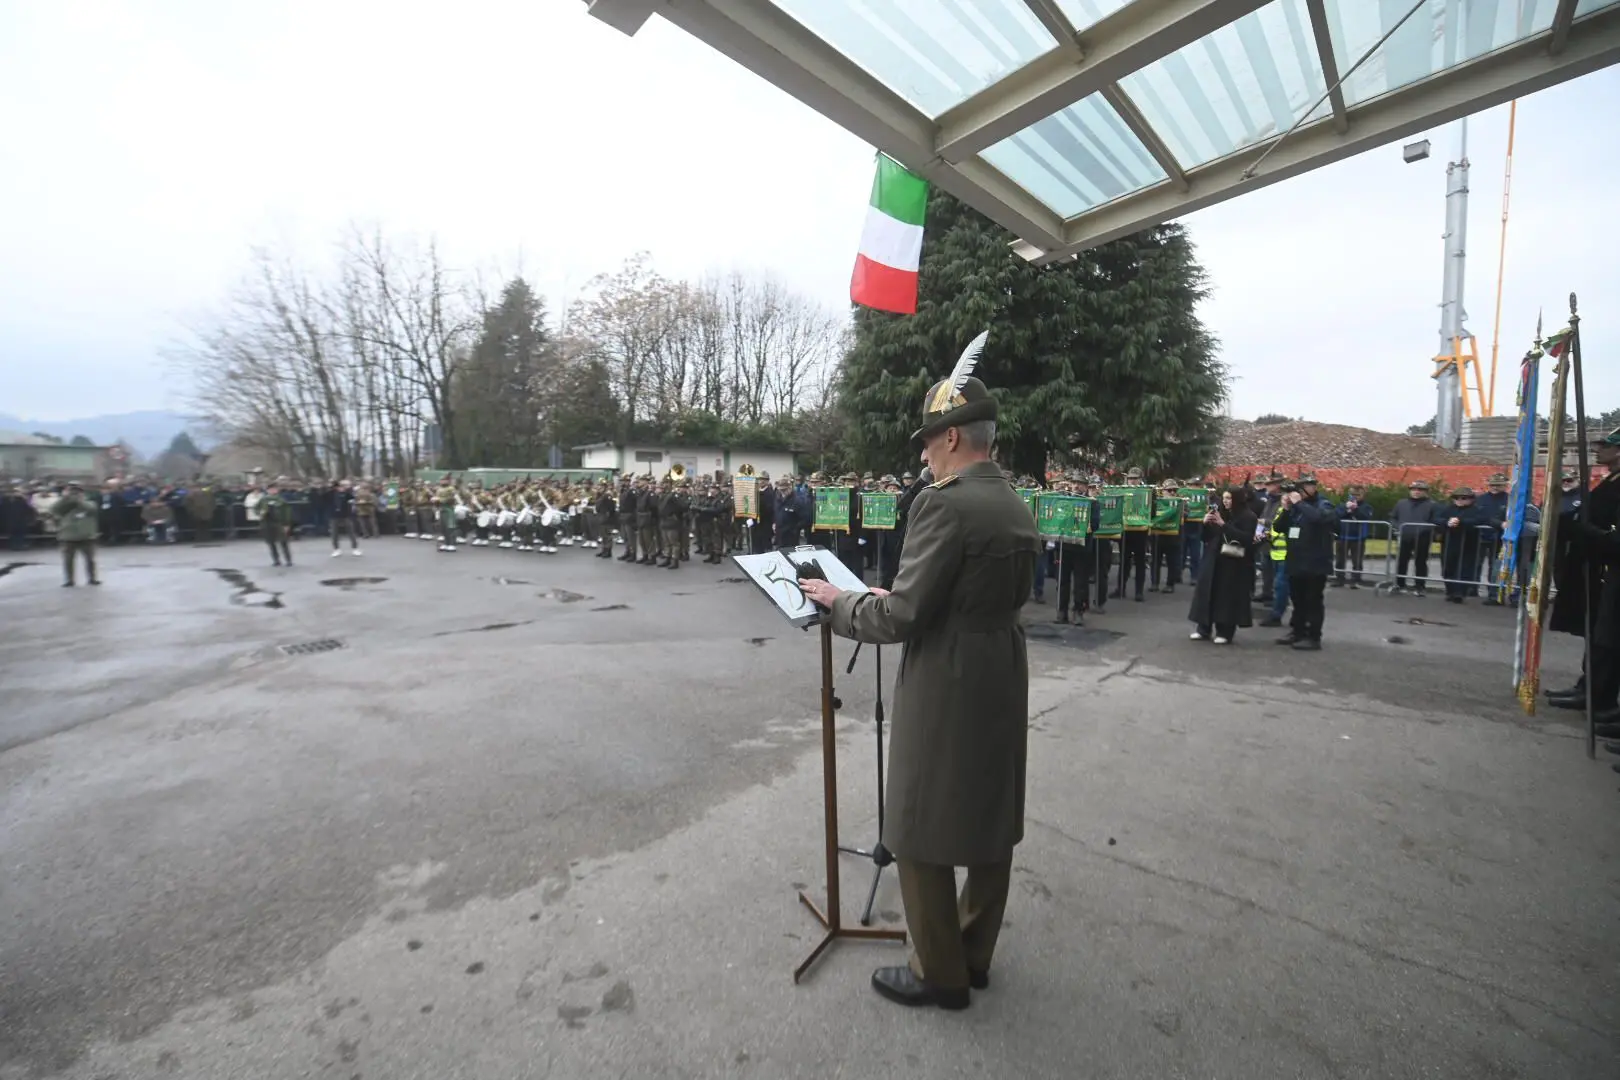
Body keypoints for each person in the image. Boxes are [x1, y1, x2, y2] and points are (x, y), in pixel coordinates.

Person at [797, 354, 1039, 1011]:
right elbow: (959, 592)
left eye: (930, 441)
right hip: (1000, 668)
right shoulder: (1013, 502)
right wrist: (898, 593)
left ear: (953, 437)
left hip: (948, 677)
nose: (926, 455)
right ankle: (974, 954)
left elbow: (903, 617)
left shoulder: (944, 505)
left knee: (916, 821)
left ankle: (940, 972)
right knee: (991, 816)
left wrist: (837, 602)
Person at [1188, 486, 1257, 643]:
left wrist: (1223, 524)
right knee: (1207, 592)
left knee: (1226, 596)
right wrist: (1205, 524)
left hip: (1233, 561)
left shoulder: (1248, 516)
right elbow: (1206, 537)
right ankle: (1203, 628)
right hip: (1213, 557)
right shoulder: (1220, 512)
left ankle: (1224, 631)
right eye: (1224, 498)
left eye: (1229, 498)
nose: (1225, 501)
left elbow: (1246, 539)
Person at [1278, 473, 1337, 650]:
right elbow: (1279, 528)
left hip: (1316, 563)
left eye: (1309, 486)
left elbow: (1319, 518)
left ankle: (1313, 636)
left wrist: (1300, 503)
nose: (1306, 490)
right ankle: (1297, 631)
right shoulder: (1296, 508)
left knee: (1313, 601)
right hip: (1296, 561)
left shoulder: (1323, 504)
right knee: (1297, 600)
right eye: (1302, 486)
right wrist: (1287, 510)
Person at [53, 481, 101, 586]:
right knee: (68, 560)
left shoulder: (89, 502)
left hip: (86, 535)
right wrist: (64, 498)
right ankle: (69, 580)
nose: (74, 494)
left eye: (77, 491)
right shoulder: (64, 504)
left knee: (90, 560)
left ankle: (92, 578)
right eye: (72, 491)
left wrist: (80, 500)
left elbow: (91, 509)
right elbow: (54, 509)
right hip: (68, 536)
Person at [261, 482, 293, 566]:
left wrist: (286, 523)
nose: (272, 491)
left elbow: (287, 512)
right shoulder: (263, 500)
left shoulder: (281, 500)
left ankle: (288, 559)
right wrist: (261, 513)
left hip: (279, 522)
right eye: (270, 489)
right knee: (271, 542)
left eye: (274, 489)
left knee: (283, 542)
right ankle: (276, 560)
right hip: (267, 522)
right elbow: (256, 508)